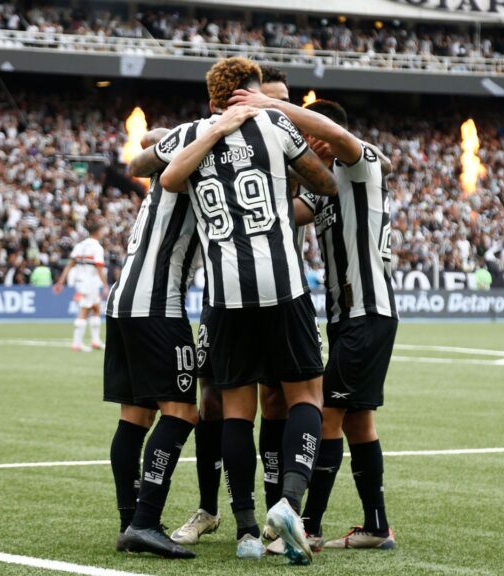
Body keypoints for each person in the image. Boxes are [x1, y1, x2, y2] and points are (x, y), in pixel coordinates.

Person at [159, 57, 338, 564]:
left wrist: (209, 128)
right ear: (254, 92)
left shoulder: (191, 134)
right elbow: (324, 182)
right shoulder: (276, 123)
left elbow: (159, 169)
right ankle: (290, 503)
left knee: (236, 408)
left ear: (212, 99)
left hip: (225, 292)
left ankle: (244, 530)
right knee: (306, 394)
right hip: (282, 283)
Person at [231, 91, 398, 550]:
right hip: (351, 317)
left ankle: (308, 527)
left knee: (326, 413)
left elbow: (339, 135)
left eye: (310, 136)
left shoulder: (359, 163)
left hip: (368, 311)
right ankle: (376, 527)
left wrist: (270, 106)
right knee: (359, 423)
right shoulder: (325, 188)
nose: (308, 144)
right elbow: (284, 216)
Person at [170, 63, 293, 548]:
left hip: (282, 293)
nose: (267, 107)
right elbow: (154, 157)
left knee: (277, 399)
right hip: (225, 293)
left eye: (280, 101)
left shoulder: (285, 138)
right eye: (265, 97)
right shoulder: (217, 137)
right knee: (214, 400)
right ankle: (211, 509)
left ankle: (275, 512)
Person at [104, 128, 202, 559]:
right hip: (159, 303)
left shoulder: (168, 166)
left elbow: (149, 138)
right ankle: (144, 522)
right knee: (182, 413)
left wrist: (180, 134)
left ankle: (131, 520)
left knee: (135, 417)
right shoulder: (199, 167)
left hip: (122, 299)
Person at [54, 221, 107, 351]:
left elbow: (70, 264)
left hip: (81, 281)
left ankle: (95, 340)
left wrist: (61, 281)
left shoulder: (79, 245)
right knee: (84, 310)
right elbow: (99, 267)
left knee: (96, 308)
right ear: (98, 231)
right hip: (90, 282)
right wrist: (105, 285)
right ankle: (76, 343)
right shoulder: (97, 247)